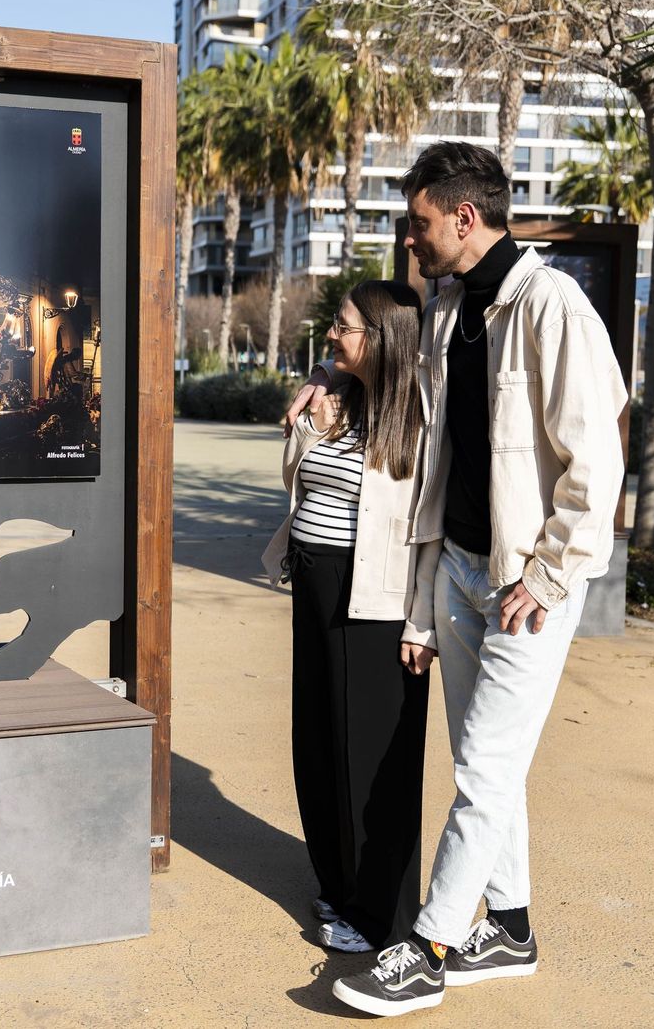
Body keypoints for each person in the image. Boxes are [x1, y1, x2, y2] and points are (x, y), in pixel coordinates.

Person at [286, 142, 627, 1017]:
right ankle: (507, 925)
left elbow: (598, 461)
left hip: (525, 586)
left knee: (481, 767)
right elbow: (395, 368)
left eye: (422, 222)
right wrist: (330, 371)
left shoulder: (554, 308)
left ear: (464, 218)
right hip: (461, 573)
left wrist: (548, 579)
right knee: (492, 767)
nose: (415, 238)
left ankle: (429, 947)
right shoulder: (447, 308)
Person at [260, 280, 442, 957]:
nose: (332, 335)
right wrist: (318, 387)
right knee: (320, 740)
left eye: (343, 328)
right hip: (314, 583)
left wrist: (422, 625)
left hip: (378, 603)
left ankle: (381, 919)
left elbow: (431, 537)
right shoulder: (340, 400)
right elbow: (297, 479)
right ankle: (339, 884)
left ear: (381, 337)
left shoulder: (421, 414)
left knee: (375, 762)